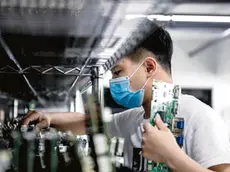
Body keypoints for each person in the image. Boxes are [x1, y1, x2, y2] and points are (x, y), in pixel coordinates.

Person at [23, 26, 230, 172]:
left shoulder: (199, 117)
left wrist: (172, 157)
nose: (114, 81)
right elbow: (89, 123)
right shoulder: (135, 118)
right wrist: (49, 118)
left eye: (118, 72)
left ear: (148, 67)